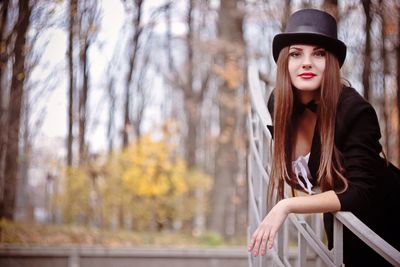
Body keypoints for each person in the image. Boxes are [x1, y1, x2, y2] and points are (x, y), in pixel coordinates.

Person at [247, 8, 400, 267]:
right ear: (285, 62)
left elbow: (359, 193)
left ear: (332, 63)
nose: (306, 62)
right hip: (343, 223)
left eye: (318, 53)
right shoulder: (279, 103)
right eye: (296, 54)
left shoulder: (355, 110)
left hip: (388, 220)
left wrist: (286, 206)